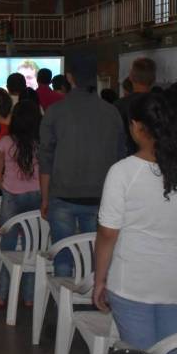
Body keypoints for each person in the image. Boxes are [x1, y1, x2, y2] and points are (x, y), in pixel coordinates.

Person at [93, 93, 177, 354]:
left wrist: (99, 280)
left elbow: (108, 234)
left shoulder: (122, 172)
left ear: (136, 127)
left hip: (133, 284)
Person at [40, 65, 126, 277]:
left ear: (70, 77)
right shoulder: (111, 112)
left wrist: (45, 198)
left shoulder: (55, 111)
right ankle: (93, 290)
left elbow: (46, 159)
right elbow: (120, 157)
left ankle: (62, 294)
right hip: (100, 195)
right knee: (96, 256)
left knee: (63, 254)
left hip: (62, 193)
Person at [0, 97, 42, 306]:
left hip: (11, 196)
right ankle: (29, 297)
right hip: (38, 196)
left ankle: (2, 295)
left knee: (8, 247)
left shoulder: (5, 142)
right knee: (33, 246)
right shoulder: (42, 144)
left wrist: (7, 190)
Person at [115, 57, 156, 154]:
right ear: (153, 79)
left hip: (125, 158)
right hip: (157, 158)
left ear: (130, 77)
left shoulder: (118, 106)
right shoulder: (161, 105)